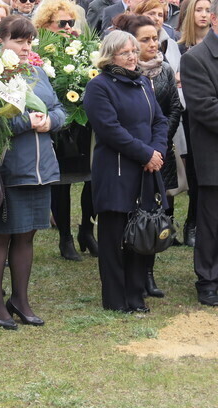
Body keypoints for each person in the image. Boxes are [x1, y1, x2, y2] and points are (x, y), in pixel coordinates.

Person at [0, 16, 65, 329]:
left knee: (27, 235)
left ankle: (20, 300)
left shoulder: (37, 71)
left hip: (40, 169)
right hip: (8, 168)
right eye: (18, 41)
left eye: (29, 41)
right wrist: (25, 122)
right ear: (0, 40)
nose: (26, 47)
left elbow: (59, 108)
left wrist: (50, 121)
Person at [83, 30, 168, 313]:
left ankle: (135, 295)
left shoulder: (143, 82)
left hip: (146, 169)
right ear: (110, 56)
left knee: (140, 233)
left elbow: (159, 121)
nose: (132, 57)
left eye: (134, 51)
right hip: (116, 172)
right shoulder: (99, 86)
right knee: (114, 238)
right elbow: (110, 130)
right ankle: (115, 299)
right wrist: (145, 154)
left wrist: (157, 152)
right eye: (125, 53)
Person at [112, 13, 182, 297]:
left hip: (159, 153)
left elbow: (173, 109)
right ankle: (129, 274)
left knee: (155, 213)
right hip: (131, 155)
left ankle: (148, 274)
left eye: (155, 38)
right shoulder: (121, 76)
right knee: (132, 214)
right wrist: (145, 151)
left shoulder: (164, 69)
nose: (153, 44)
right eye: (145, 40)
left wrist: (158, 148)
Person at [32, 0, 96, 260]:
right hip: (57, 124)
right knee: (62, 183)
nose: (69, 27)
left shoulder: (81, 47)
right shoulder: (39, 52)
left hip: (82, 123)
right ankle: (65, 237)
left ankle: (87, 230)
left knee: (91, 177)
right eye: (62, 23)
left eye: (71, 22)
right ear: (46, 24)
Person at [180, 0, 218, 306]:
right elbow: (205, 109)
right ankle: (208, 280)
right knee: (212, 224)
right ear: (215, 20)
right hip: (214, 157)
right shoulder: (196, 58)